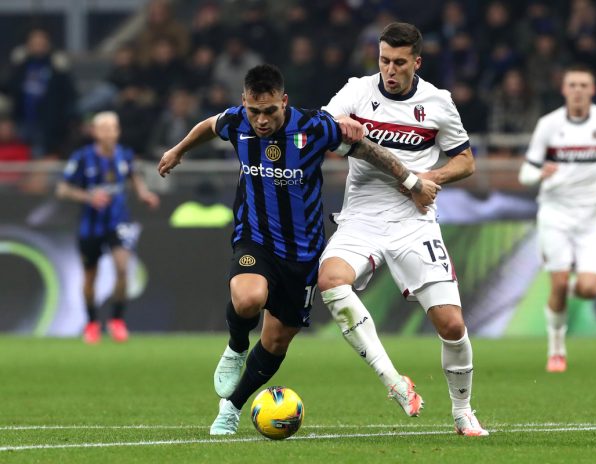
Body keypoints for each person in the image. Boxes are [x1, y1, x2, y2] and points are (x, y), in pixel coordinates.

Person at [156, 64, 440, 436]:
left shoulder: (313, 128)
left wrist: (411, 180)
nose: (260, 120)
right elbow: (210, 125)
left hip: (302, 254)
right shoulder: (236, 122)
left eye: (270, 111)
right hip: (254, 238)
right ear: (244, 103)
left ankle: (232, 406)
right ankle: (236, 346)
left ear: (284, 102)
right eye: (254, 111)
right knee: (248, 299)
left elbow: (365, 149)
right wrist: (178, 150)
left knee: (276, 341)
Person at [316, 22, 488, 437]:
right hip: (360, 218)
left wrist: (431, 178)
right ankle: (394, 380)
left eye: (398, 63)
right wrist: (338, 127)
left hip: (415, 223)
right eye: (383, 61)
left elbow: (465, 161)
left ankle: (463, 411)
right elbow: (318, 128)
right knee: (330, 281)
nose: (389, 70)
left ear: (416, 62)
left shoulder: (438, 103)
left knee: (451, 325)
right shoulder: (357, 90)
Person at [518, 64, 596, 373]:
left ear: (593, 90)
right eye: (573, 85)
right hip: (555, 214)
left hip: (591, 219)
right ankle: (556, 351)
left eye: (584, 84)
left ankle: (567, 288)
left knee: (589, 289)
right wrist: (540, 172)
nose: (578, 90)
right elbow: (525, 172)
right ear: (564, 89)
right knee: (557, 283)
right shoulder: (548, 125)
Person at [56, 111, 160, 343]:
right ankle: (92, 322)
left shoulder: (125, 155)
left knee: (122, 268)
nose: (108, 132)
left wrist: (144, 194)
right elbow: (63, 189)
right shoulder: (82, 158)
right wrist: (88, 197)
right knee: (90, 276)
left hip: (118, 222)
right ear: (94, 132)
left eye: (112, 127)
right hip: (90, 226)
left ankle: (116, 320)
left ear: (118, 131)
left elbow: (134, 177)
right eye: (103, 128)